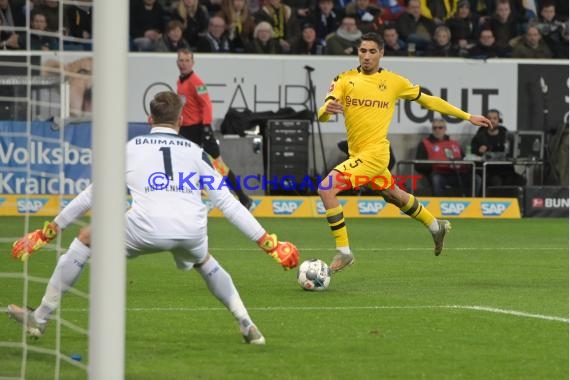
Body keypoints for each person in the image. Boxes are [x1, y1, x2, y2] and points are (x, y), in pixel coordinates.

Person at [7, 91, 299, 344]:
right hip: (191, 230)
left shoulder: (129, 149)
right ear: (181, 121)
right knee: (204, 259)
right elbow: (229, 204)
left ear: (149, 120)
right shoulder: (198, 153)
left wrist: (49, 232)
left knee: (86, 238)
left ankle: (41, 318)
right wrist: (269, 243)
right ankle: (247, 324)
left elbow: (90, 195)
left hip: (144, 228)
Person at [317, 32, 492, 272]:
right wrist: (327, 109)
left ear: (381, 53)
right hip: (357, 154)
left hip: (376, 154)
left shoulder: (394, 81)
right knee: (393, 194)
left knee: (326, 188)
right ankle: (435, 226)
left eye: (371, 51)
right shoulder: (344, 80)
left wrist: (467, 116)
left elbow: (429, 101)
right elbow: (322, 115)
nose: (366, 56)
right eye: (362, 51)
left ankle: (344, 251)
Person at [176, 49, 254, 209]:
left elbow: (206, 104)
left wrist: (205, 127)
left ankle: (243, 197)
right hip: (186, 130)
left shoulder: (195, 82)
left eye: (186, 60)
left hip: (199, 129)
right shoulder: (180, 81)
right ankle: (194, 196)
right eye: (181, 60)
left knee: (218, 164)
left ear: (192, 63)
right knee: (187, 164)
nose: (183, 63)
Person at [415, 118, 476, 196]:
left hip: (457, 174)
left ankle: (473, 203)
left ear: (445, 129)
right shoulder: (425, 143)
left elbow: (464, 159)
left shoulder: (454, 143)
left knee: (476, 179)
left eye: (440, 128)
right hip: (439, 174)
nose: (437, 130)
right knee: (436, 179)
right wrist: (435, 164)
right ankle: (437, 205)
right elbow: (419, 165)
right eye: (435, 128)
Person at [470, 108, 526, 188]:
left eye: (495, 118)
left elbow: (513, 151)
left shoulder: (506, 134)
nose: (492, 121)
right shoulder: (479, 136)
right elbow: (472, 152)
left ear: (499, 120)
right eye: (489, 118)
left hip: (506, 169)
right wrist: (479, 151)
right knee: (496, 180)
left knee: (521, 180)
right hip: (489, 171)